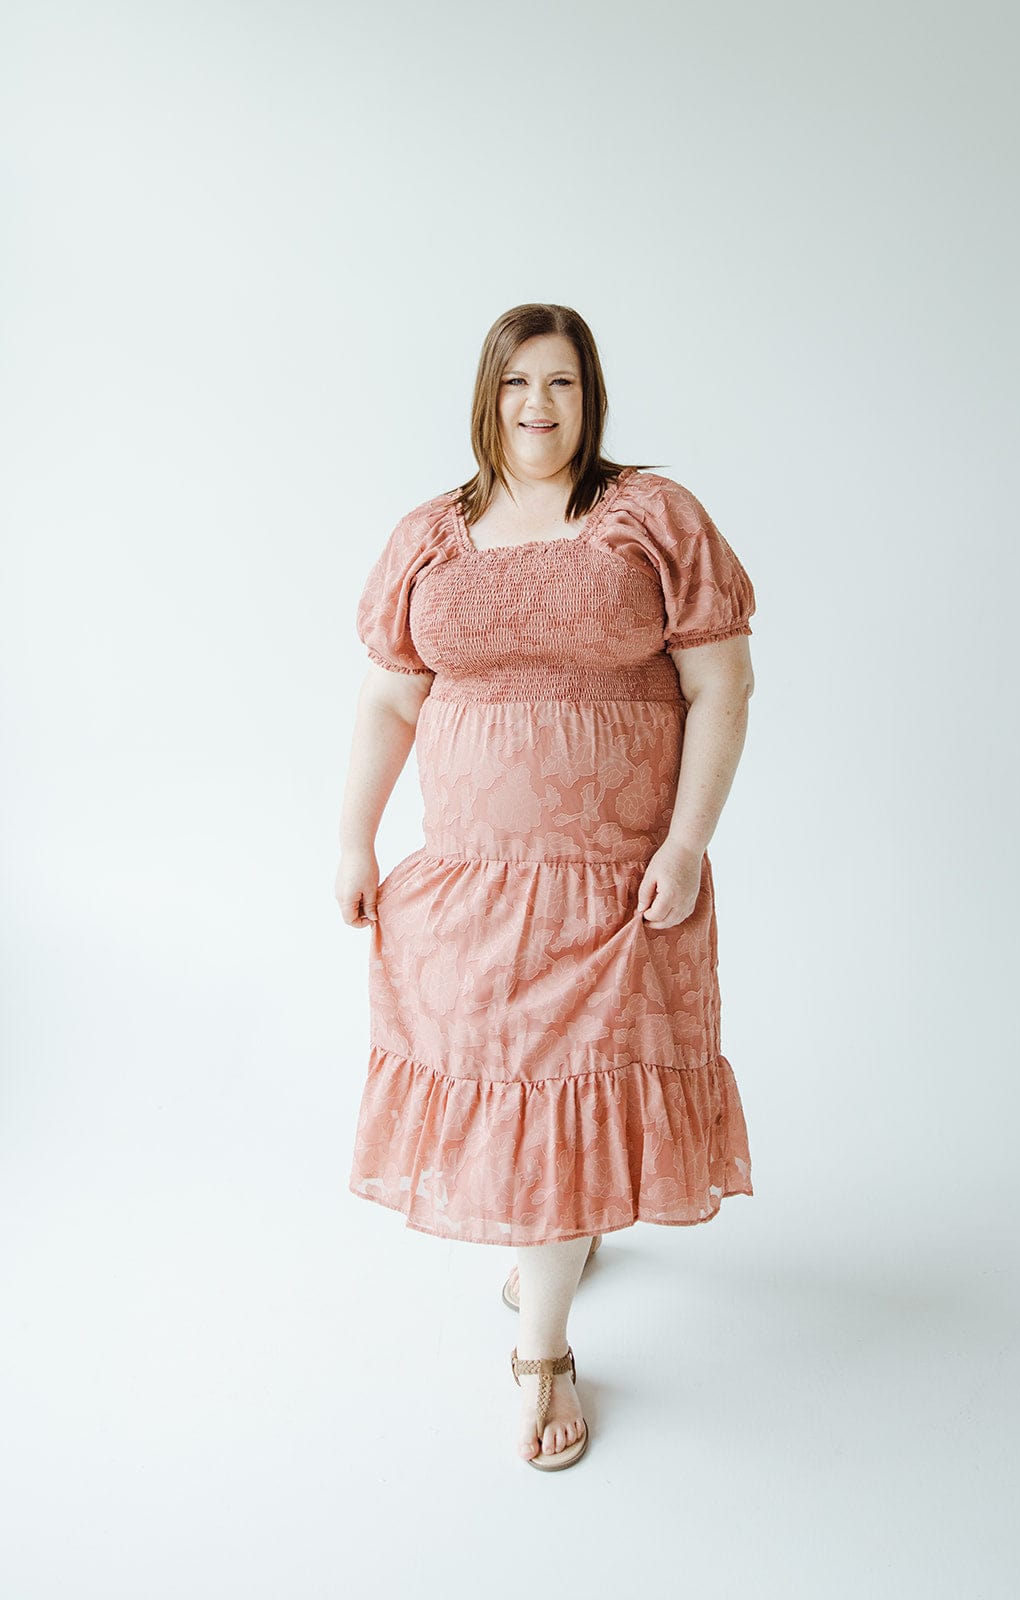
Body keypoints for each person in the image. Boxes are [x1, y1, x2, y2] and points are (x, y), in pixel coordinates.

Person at [334, 302, 757, 1471]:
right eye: (519, 380)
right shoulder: (431, 532)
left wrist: (682, 843)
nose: (538, 403)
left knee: (566, 1086)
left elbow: (721, 688)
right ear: (487, 392)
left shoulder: (650, 519)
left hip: (610, 886)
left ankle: (545, 1352)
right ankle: (556, 1248)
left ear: (590, 394)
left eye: (561, 381)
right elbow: (387, 699)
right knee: (514, 1086)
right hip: (471, 882)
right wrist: (351, 840)